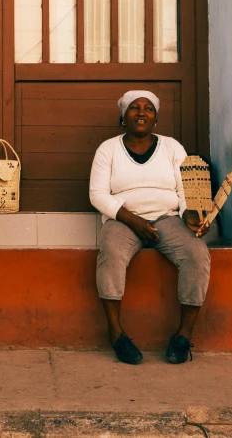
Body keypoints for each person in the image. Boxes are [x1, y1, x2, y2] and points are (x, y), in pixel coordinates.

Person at [89, 90, 211, 365]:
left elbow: (184, 189)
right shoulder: (108, 149)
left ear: (156, 118)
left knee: (196, 253)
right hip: (123, 220)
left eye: (148, 108)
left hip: (168, 218)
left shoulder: (172, 147)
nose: (141, 112)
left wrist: (188, 213)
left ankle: (183, 337)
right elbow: (97, 194)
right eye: (134, 108)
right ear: (123, 117)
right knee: (110, 253)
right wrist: (133, 220)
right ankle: (116, 332)